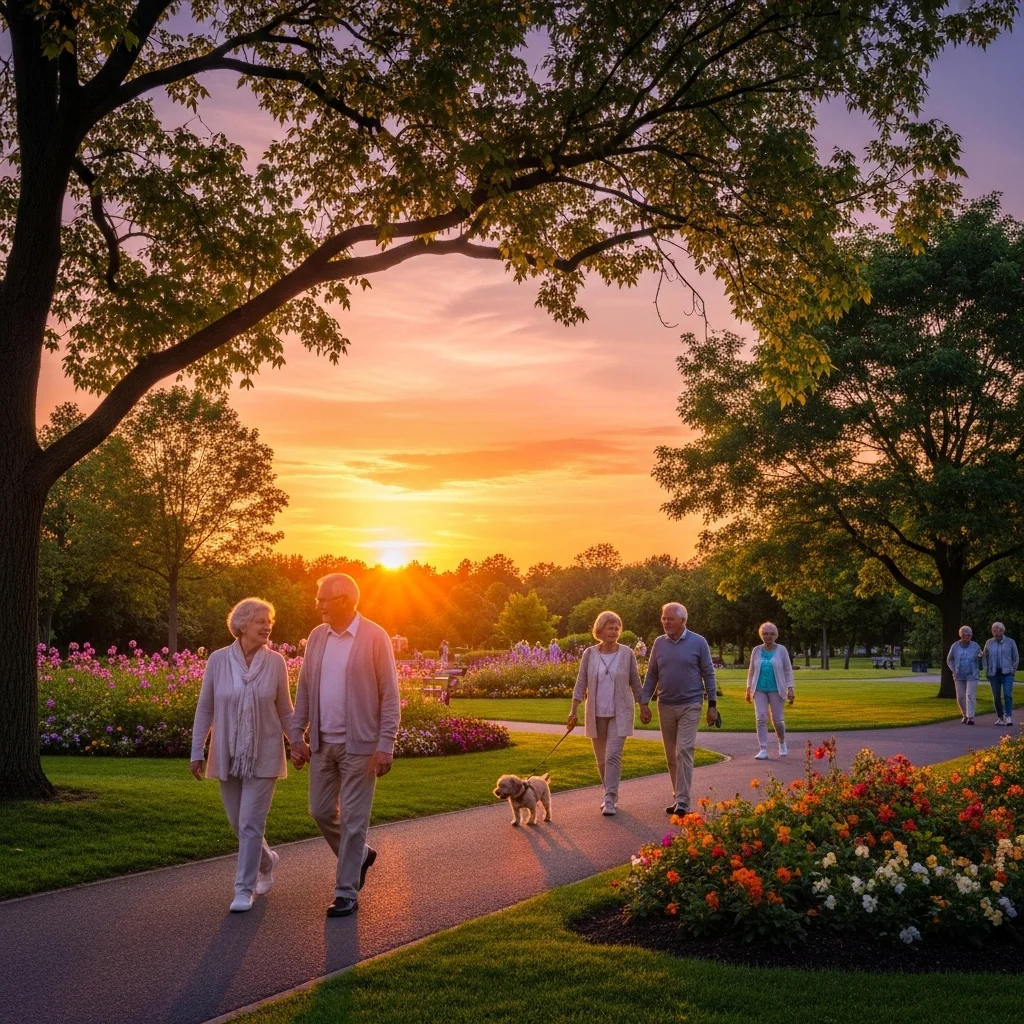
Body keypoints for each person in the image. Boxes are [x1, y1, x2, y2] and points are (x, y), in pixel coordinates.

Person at [289, 573, 401, 918]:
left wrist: (386, 743)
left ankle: (345, 892)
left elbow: (390, 695)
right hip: (323, 744)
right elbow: (305, 689)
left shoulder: (374, 636)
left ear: (345, 600)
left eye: (324, 598)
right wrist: (297, 735)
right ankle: (361, 855)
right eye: (318, 598)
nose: (318, 604)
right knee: (320, 811)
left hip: (361, 747)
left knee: (354, 819)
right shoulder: (317, 637)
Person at [190, 598, 294, 913]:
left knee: (250, 823)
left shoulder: (276, 662)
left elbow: (285, 711)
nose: (267, 626)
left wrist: (300, 741)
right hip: (227, 752)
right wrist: (197, 749)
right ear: (242, 624)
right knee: (239, 823)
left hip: (264, 753)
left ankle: (243, 889)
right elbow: (205, 707)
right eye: (261, 620)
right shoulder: (218, 661)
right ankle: (267, 859)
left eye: (269, 621)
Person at [639, 602, 717, 816]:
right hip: (665, 705)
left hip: (691, 704)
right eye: (663, 618)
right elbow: (652, 674)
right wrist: (644, 702)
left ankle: (683, 801)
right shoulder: (659, 643)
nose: (665, 622)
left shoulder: (698, 642)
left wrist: (712, 706)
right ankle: (678, 796)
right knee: (671, 756)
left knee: (684, 750)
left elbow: (708, 674)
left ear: (683, 621)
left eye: (670, 619)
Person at [566, 611, 643, 816]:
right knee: (601, 760)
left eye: (617, 628)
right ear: (600, 630)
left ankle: (609, 798)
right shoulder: (590, 654)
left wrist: (644, 705)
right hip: (596, 713)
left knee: (612, 756)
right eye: (610, 627)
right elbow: (581, 683)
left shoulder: (626, 653)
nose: (615, 631)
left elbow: (635, 682)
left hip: (620, 712)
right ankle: (609, 792)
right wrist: (573, 710)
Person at [744, 622, 795, 759]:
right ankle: (763, 749)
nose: (768, 636)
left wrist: (790, 688)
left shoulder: (781, 650)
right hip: (759, 689)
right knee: (761, 718)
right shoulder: (756, 650)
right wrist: (748, 688)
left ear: (776, 635)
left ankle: (782, 742)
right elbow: (752, 670)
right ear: (761, 635)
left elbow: (787, 670)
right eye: (765, 633)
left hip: (776, 689)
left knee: (777, 720)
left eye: (772, 634)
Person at [983, 622, 1019, 728]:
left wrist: (1013, 670)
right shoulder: (989, 642)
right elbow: (985, 657)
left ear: (1002, 631)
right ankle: (1000, 717)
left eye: (995, 629)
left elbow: (1015, 657)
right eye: (992, 630)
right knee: (996, 696)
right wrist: (986, 670)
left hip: (1007, 673)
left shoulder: (1010, 642)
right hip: (994, 673)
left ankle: (1008, 716)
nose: (993, 631)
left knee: (1008, 695)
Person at [946, 626, 982, 725]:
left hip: (972, 674)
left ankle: (970, 717)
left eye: (969, 633)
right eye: (964, 633)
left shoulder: (975, 646)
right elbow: (950, 659)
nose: (967, 635)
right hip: (959, 675)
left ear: (972, 634)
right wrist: (954, 669)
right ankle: (965, 715)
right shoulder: (955, 646)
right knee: (960, 696)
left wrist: (981, 657)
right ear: (960, 635)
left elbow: (981, 657)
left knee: (970, 695)